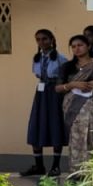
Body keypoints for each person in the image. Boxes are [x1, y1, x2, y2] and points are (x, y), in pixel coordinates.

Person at [56, 35, 93, 174]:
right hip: (74, 109)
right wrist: (72, 84)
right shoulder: (67, 67)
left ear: (88, 46)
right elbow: (58, 88)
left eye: (80, 45)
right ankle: (77, 172)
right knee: (76, 138)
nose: (77, 49)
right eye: (73, 46)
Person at [22, 29, 66, 177]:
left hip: (55, 93)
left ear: (52, 39)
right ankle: (38, 165)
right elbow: (38, 75)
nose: (41, 42)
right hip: (41, 93)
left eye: (45, 39)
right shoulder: (36, 58)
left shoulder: (60, 58)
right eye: (38, 39)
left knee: (55, 124)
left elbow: (65, 76)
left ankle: (56, 166)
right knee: (36, 124)